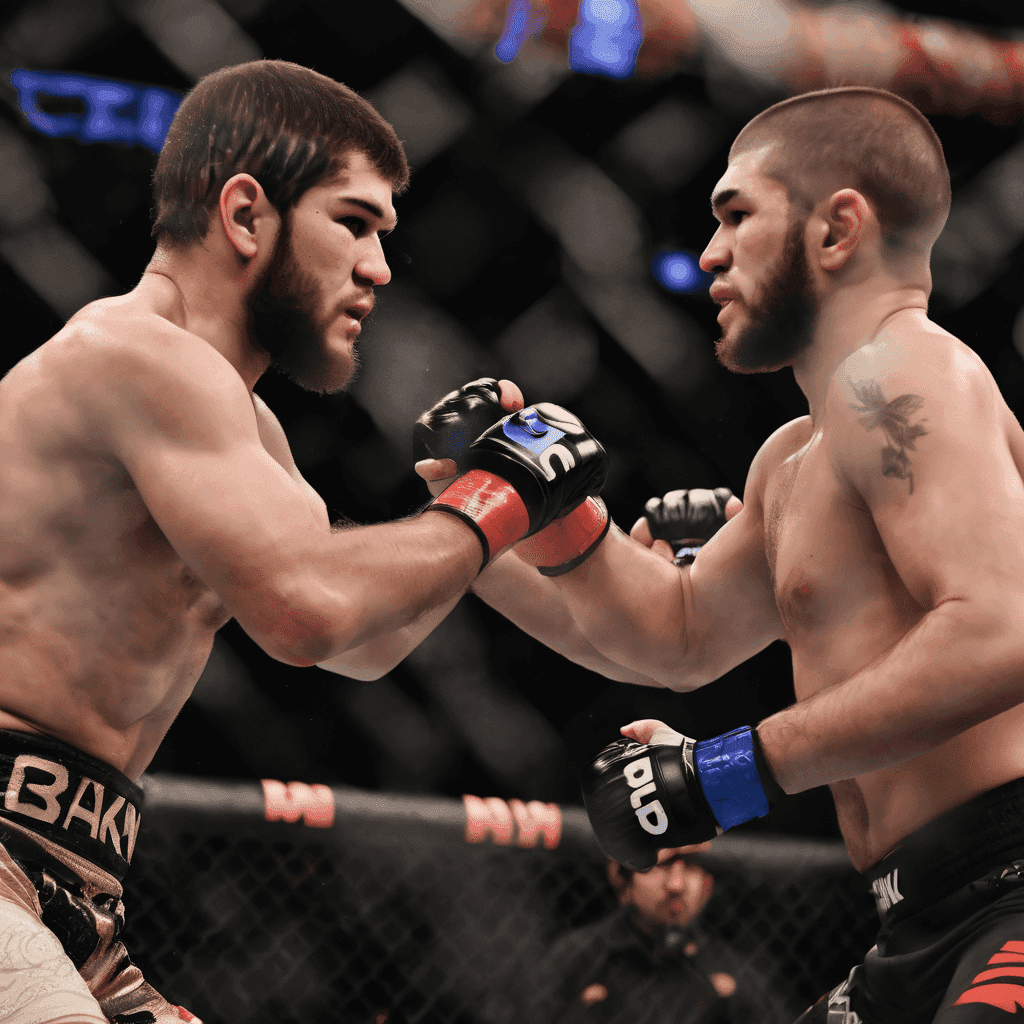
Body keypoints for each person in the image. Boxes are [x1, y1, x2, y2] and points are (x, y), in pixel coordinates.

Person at [0, 58, 609, 1023]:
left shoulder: (244, 427)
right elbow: (307, 611)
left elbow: (367, 641)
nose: (380, 268)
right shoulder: (134, 354)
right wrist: (496, 499)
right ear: (246, 214)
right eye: (354, 222)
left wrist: (487, 506)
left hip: (74, 887)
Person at [416, 84, 1024, 1022]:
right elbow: (675, 636)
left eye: (737, 214)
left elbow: (1002, 631)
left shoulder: (906, 374)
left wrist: (728, 771)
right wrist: (510, 515)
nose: (708, 252)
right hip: (918, 920)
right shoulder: (794, 459)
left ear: (837, 229)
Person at [525, 843, 790, 1024]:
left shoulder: (730, 973)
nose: (676, 885)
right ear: (623, 880)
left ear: (707, 887)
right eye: (661, 865)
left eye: (690, 866)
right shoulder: (579, 956)